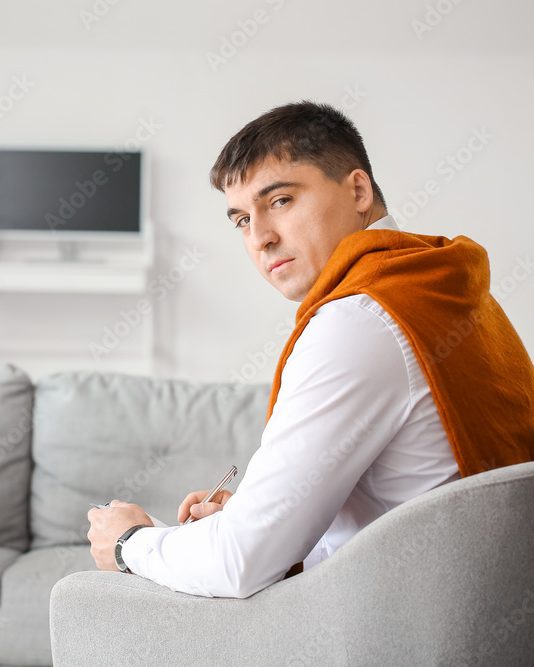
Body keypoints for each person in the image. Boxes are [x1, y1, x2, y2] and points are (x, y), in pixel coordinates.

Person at [87, 101, 534, 597]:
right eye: (242, 220)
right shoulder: (438, 285)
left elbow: (239, 564)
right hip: (475, 600)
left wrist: (130, 543)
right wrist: (260, 521)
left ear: (358, 190)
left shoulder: (358, 322)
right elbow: (394, 506)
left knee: (97, 596)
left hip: (405, 618)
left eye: (280, 200)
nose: (260, 238)